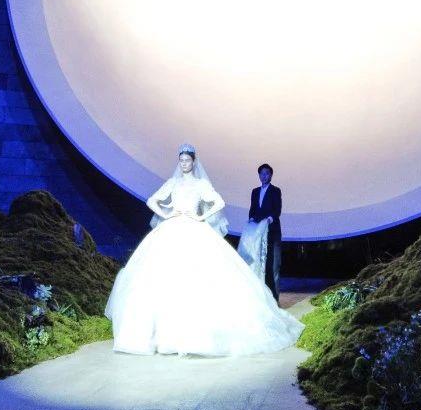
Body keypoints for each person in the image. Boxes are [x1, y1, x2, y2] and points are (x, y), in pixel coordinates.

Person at [104, 143, 303, 356]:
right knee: (163, 276)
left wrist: (201, 216)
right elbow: (152, 201)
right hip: (171, 230)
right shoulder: (172, 182)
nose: (184, 164)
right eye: (181, 161)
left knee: (199, 275)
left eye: (187, 160)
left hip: (195, 229)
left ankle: (191, 332)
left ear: (193, 162)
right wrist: (167, 214)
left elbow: (219, 202)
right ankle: (157, 333)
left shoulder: (200, 184)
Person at [246, 163, 283, 301]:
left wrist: (269, 219)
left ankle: (275, 298)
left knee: (273, 265)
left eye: (267, 173)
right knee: (259, 264)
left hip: (272, 232)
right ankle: (262, 297)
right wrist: (251, 219)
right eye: (261, 173)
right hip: (258, 232)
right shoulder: (255, 191)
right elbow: (253, 209)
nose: (264, 176)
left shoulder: (275, 190)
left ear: (271, 175)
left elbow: (277, 210)